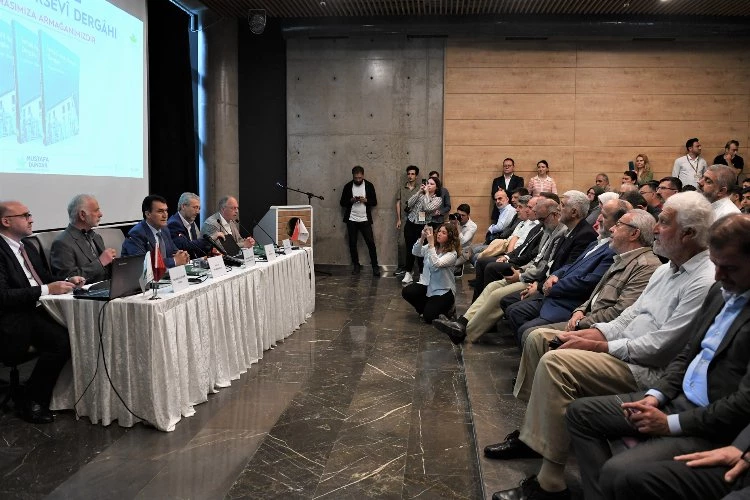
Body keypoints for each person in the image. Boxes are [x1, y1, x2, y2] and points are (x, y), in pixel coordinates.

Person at [488, 192, 716, 500]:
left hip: (646, 370)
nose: (656, 228)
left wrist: (601, 346)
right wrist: (593, 334)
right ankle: (533, 434)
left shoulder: (703, 280)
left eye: (663, 222)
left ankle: (550, 482)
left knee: (557, 363)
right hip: (625, 350)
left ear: (688, 234)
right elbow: (627, 317)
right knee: (548, 340)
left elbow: (662, 347)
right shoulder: (666, 270)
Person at [566, 214, 750, 500]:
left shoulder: (707, 285)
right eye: (716, 265)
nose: (718, 276)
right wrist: (656, 395)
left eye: (730, 268)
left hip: (710, 422)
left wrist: (670, 424)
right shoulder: (720, 291)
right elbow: (688, 353)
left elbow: (743, 403)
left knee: (619, 472)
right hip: (675, 398)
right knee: (581, 413)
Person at [0, 200, 84, 423]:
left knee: (81, 329)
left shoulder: (27, 247)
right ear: (6, 221)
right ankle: (32, 400)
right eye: (25, 215)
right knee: (61, 342)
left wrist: (67, 281)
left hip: (39, 307)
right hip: (13, 316)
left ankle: (71, 395)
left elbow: (43, 279)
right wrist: (47, 289)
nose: (32, 220)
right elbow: (3, 296)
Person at [501, 199, 630, 341]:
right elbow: (570, 265)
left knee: (527, 330)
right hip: (552, 291)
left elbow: (589, 282)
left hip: (568, 302)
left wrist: (550, 286)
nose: (598, 218)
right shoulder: (595, 242)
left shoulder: (609, 248)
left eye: (604, 216)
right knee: (514, 311)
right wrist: (554, 276)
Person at [606, 423, 750, 500]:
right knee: (633, 480)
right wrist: (741, 446)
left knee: (616, 468)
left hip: (705, 423)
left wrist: (671, 422)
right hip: (744, 460)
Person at [50, 194, 117, 283]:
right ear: (82, 215)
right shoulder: (62, 243)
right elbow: (68, 280)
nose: (101, 214)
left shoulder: (96, 237)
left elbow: (106, 271)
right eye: (96, 210)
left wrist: (117, 264)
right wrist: (100, 263)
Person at [401, 223, 460, 323]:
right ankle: (426, 309)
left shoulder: (452, 254)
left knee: (429, 318)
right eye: (439, 231)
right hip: (428, 285)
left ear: (450, 237)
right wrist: (422, 238)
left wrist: (431, 244)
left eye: (444, 233)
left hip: (443, 290)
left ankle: (449, 309)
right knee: (407, 291)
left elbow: (436, 263)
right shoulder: (432, 247)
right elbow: (415, 252)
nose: (439, 234)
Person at [122, 195, 190, 268]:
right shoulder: (136, 234)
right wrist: (174, 261)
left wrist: (183, 255)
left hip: (166, 274)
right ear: (148, 214)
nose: (165, 215)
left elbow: (174, 251)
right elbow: (143, 264)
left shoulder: (164, 230)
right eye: (160, 211)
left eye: (166, 211)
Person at [338, 166, 380, 276]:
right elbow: (342, 203)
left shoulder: (369, 185)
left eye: (360, 178)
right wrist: (351, 200)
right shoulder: (348, 186)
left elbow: (374, 202)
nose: (358, 180)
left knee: (371, 243)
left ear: (363, 175)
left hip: (365, 220)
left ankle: (375, 267)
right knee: (352, 243)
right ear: (353, 176)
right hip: (351, 220)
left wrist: (366, 200)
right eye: (356, 178)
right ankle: (356, 265)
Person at [402, 176, 443, 284]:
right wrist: (419, 192)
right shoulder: (421, 194)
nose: (428, 185)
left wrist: (427, 194)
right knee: (409, 249)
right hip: (410, 223)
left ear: (437, 187)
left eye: (432, 184)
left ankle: (422, 274)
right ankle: (408, 273)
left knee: (421, 251)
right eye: (428, 183)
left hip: (423, 226)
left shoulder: (438, 199)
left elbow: (427, 208)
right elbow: (409, 203)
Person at [167, 192, 215, 259]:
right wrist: (209, 240)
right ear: (183, 206)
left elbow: (195, 247)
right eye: (195, 207)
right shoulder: (174, 224)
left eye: (199, 208)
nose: (198, 212)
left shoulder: (191, 222)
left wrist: (210, 251)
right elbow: (184, 246)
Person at [395, 165, 420, 276]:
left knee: (416, 244)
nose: (410, 176)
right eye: (409, 174)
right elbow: (398, 203)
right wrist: (398, 219)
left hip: (417, 220)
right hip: (405, 218)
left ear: (416, 176)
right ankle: (402, 267)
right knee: (401, 243)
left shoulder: (420, 188)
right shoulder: (402, 188)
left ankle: (413, 268)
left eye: (412, 174)